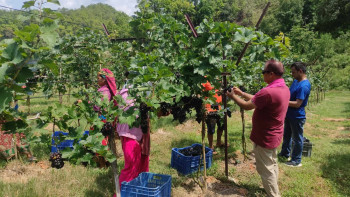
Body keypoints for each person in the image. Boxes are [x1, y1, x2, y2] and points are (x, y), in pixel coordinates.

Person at [226, 60, 290, 197]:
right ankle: (272, 189)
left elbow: (246, 105)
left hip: (264, 137)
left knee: (266, 170)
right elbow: (257, 99)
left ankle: (274, 194)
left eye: (264, 72)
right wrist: (242, 93)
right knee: (272, 164)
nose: (262, 75)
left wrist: (232, 96)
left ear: (271, 74)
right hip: (275, 135)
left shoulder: (268, 92)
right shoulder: (284, 88)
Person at [116, 72, 150, 187]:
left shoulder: (134, 92)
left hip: (134, 133)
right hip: (130, 134)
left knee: (137, 163)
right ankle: (122, 192)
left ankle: (137, 189)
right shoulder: (128, 95)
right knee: (131, 166)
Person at [279, 62, 311, 167]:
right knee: (287, 135)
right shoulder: (296, 81)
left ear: (300, 71)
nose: (292, 74)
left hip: (297, 116)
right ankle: (285, 153)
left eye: (293, 72)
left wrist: (282, 101)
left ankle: (296, 161)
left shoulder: (304, 86)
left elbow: (297, 104)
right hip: (289, 114)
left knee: (297, 139)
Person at [202, 81, 224, 152]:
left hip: (220, 107)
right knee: (211, 129)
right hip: (210, 108)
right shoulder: (204, 79)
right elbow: (201, 94)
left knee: (221, 126)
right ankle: (211, 146)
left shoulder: (218, 77)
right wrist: (204, 108)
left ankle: (218, 142)